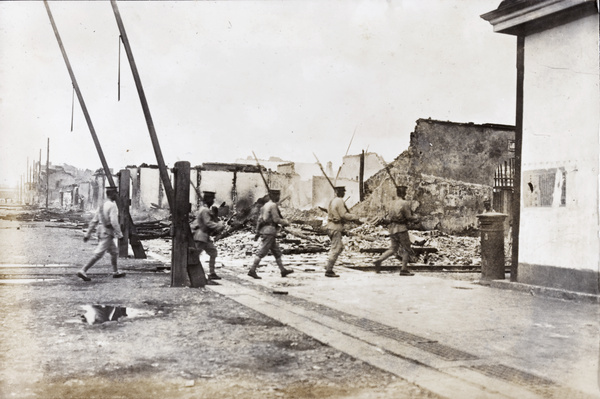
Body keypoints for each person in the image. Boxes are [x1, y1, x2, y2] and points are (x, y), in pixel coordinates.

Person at [77, 186, 125, 281]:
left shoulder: (102, 206)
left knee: (114, 252)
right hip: (107, 232)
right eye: (115, 193)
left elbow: (94, 221)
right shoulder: (112, 206)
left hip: (101, 231)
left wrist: (88, 233)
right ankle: (83, 270)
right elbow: (114, 222)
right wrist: (120, 235)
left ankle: (115, 272)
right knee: (99, 253)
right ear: (112, 194)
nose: (116, 195)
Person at [248, 189, 294, 279]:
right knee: (262, 252)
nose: (279, 197)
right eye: (277, 196)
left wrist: (257, 232)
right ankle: (252, 270)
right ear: (274, 196)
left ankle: (283, 270)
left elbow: (260, 220)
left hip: (266, 231)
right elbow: (276, 219)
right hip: (270, 231)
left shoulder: (265, 206)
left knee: (277, 252)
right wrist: (286, 222)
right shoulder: (273, 205)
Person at [374, 185, 419, 276]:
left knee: (393, 248)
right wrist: (416, 218)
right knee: (407, 248)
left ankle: (379, 260)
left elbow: (389, 217)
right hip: (401, 229)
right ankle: (404, 269)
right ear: (403, 193)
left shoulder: (391, 203)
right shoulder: (405, 203)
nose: (406, 194)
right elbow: (409, 217)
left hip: (392, 228)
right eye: (405, 192)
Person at [324, 186, 360, 278]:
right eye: (342, 191)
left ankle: (328, 264)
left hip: (330, 226)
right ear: (339, 192)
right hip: (335, 227)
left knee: (337, 247)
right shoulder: (339, 201)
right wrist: (355, 217)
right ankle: (329, 270)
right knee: (337, 248)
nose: (344, 193)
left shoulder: (332, 200)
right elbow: (343, 215)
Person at [192, 191, 225, 280]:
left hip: (205, 236)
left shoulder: (204, 209)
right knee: (195, 255)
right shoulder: (205, 210)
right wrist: (219, 225)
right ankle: (190, 273)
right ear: (208, 199)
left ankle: (212, 272)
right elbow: (208, 223)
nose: (213, 201)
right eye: (212, 199)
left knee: (213, 252)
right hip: (201, 235)